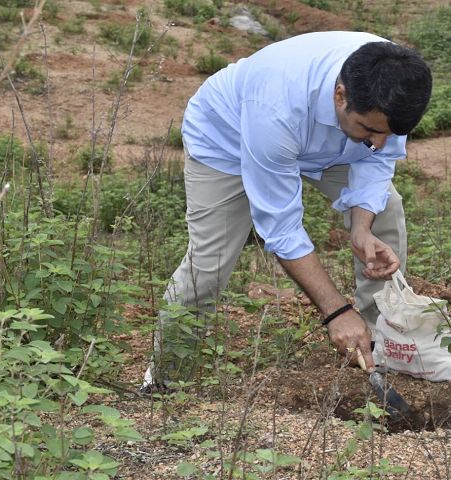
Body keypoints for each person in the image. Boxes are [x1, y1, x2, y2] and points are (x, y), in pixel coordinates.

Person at [142, 31, 432, 391]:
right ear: (340, 95)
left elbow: (378, 158)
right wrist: (336, 311)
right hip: (229, 143)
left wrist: (361, 226)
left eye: (391, 132)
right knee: (209, 263)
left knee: (385, 212)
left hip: (330, 146)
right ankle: (165, 380)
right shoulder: (275, 105)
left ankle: (373, 345)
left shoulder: (394, 87)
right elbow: (280, 228)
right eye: (372, 129)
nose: (380, 142)